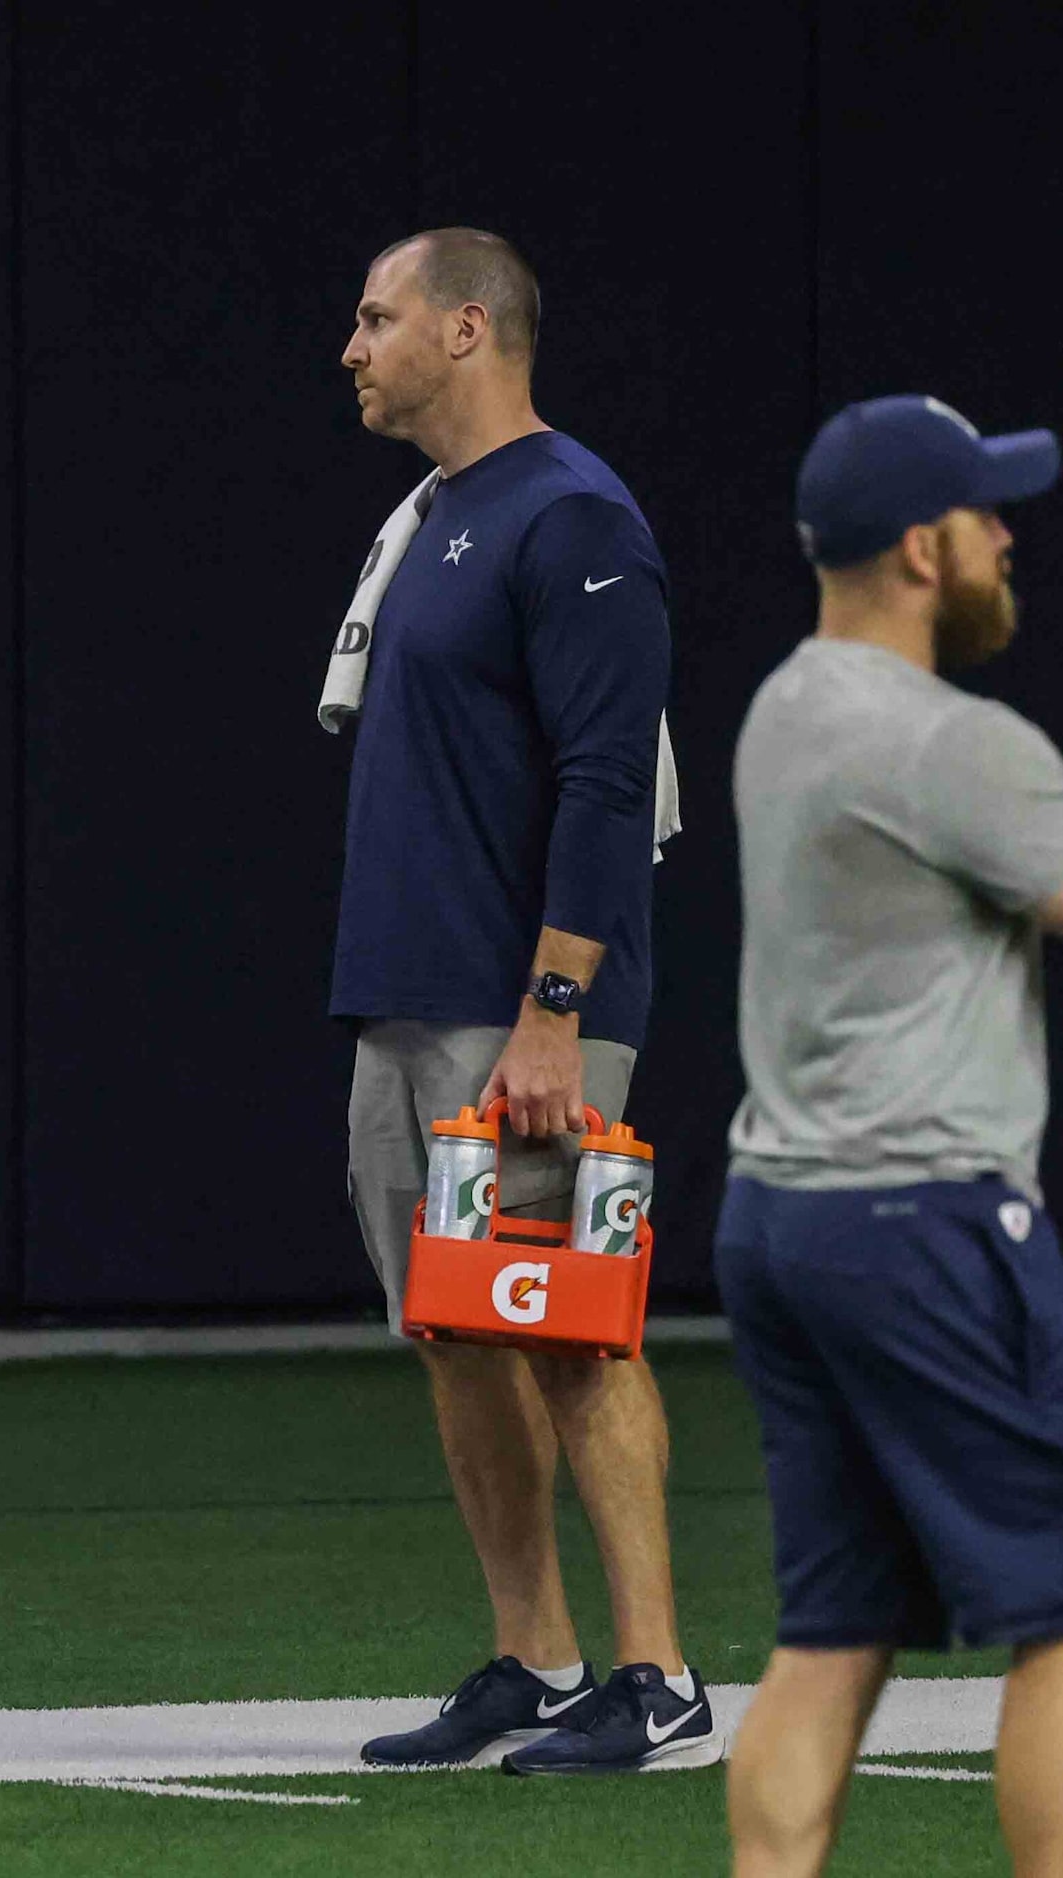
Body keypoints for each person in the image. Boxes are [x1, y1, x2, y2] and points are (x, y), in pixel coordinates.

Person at [329, 228, 711, 1773]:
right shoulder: (434, 516)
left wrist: (557, 1006)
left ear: (466, 327)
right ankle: (535, 1659)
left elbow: (612, 777)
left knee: (566, 1331)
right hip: (412, 995)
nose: (349, 347)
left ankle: (660, 1678)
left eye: (375, 318)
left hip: (523, 1011)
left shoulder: (570, 512)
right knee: (455, 1326)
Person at [720, 395, 1063, 1876]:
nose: (1006, 538)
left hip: (779, 1221)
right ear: (922, 548)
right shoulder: (947, 741)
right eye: (986, 516)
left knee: (830, 1636)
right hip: (922, 1221)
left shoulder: (784, 702)